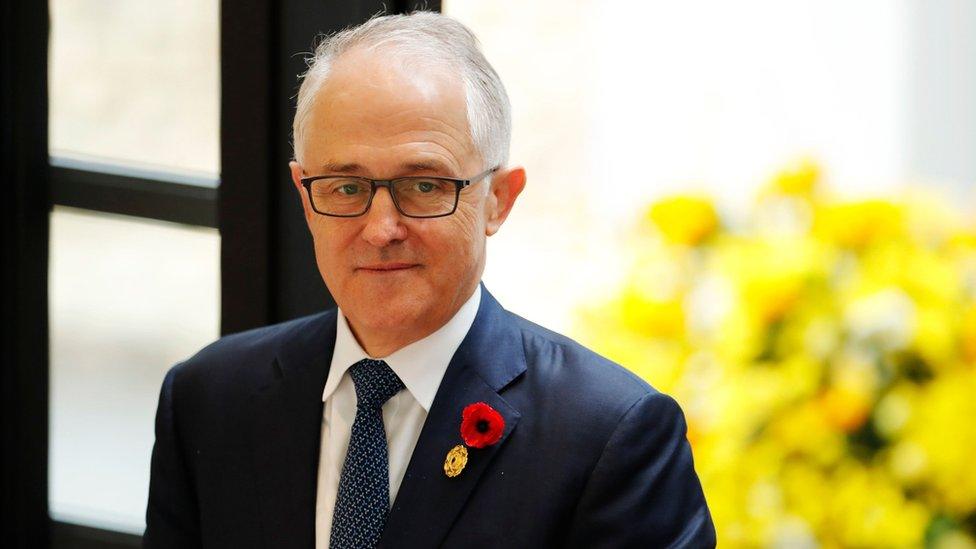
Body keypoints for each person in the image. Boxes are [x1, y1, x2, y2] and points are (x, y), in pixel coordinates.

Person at [144, 11, 716, 549]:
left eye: (424, 186)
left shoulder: (611, 438)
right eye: (346, 187)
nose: (381, 229)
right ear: (305, 197)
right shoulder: (208, 398)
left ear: (498, 199)